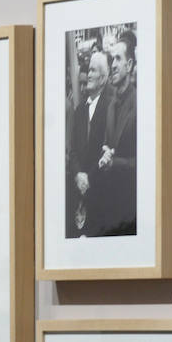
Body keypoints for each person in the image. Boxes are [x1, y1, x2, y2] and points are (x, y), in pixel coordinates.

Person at [68, 49, 112, 237]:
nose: (90, 75)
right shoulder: (79, 111)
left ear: (103, 79)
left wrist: (89, 178)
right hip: (78, 189)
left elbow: (107, 147)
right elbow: (74, 151)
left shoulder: (111, 107)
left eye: (94, 71)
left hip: (100, 190)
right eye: (89, 70)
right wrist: (78, 174)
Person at [99, 29, 138, 235]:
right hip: (111, 206)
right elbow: (107, 144)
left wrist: (116, 163)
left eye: (117, 59)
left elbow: (146, 164)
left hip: (132, 212)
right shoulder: (111, 105)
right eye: (111, 59)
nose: (112, 65)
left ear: (129, 65)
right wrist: (104, 154)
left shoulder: (140, 104)